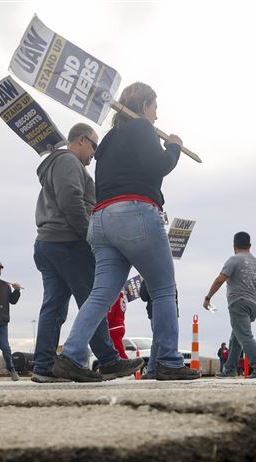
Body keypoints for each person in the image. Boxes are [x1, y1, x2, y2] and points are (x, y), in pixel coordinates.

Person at [53, 82, 197, 382]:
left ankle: (71, 355)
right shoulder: (142, 128)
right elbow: (157, 166)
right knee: (163, 289)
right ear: (144, 105)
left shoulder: (106, 141)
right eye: (155, 107)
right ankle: (168, 361)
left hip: (102, 220)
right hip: (136, 213)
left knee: (101, 294)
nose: (156, 116)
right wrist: (173, 148)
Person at [31, 124, 139, 382]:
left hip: (48, 242)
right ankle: (109, 360)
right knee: (93, 300)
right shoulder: (68, 161)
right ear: (81, 140)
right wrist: (89, 236)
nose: (94, 154)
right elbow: (71, 200)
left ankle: (44, 365)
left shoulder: (56, 164)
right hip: (69, 242)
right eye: (94, 146)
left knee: (54, 307)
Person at [203, 231, 256, 379]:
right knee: (236, 338)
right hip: (254, 305)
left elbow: (220, 279)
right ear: (250, 245)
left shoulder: (234, 260)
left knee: (245, 336)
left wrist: (208, 298)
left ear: (234, 245)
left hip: (238, 302)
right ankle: (229, 370)